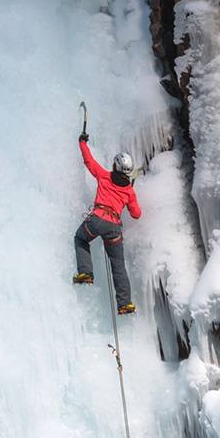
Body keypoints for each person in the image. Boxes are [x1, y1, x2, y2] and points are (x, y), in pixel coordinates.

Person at [72, 128, 142, 315]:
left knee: (80, 238)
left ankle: (86, 272)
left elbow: (89, 161)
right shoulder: (129, 191)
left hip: (97, 220)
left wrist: (82, 142)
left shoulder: (104, 176)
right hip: (114, 229)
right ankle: (124, 303)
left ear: (115, 166)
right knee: (118, 265)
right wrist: (128, 198)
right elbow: (136, 214)